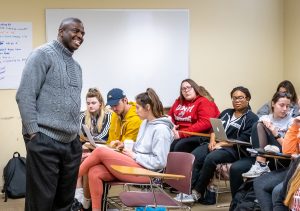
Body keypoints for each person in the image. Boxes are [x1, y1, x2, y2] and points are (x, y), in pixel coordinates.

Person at [16, 18, 85, 211]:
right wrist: (33, 135)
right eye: (75, 31)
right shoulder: (42, 55)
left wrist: (76, 139)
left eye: (82, 33)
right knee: (40, 204)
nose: (79, 36)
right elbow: (25, 95)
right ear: (61, 31)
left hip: (71, 144)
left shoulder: (77, 67)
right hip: (45, 141)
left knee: (64, 204)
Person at [78, 88, 174, 211]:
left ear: (148, 107)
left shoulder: (161, 130)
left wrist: (134, 156)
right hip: (138, 165)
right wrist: (126, 146)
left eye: (138, 107)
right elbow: (142, 148)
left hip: (150, 173)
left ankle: (71, 179)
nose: (136, 110)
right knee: (95, 171)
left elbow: (160, 162)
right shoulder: (145, 123)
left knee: (100, 152)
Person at [174, 86, 258, 203]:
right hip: (216, 144)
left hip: (234, 150)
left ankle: (196, 192)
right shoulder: (226, 113)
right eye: (234, 98)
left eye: (240, 98)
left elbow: (242, 139)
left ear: (247, 99)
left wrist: (222, 144)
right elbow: (214, 127)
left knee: (211, 158)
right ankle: (187, 190)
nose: (237, 101)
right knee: (195, 155)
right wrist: (213, 141)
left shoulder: (252, 118)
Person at [76, 87, 142, 210]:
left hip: (131, 161)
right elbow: (111, 142)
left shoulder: (135, 119)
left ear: (125, 100)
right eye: (111, 106)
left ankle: (73, 176)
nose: (114, 109)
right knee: (93, 170)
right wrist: (107, 149)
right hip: (116, 156)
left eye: (116, 105)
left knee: (98, 152)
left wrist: (100, 153)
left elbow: (125, 148)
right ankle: (88, 206)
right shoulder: (116, 115)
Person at [74, 88, 112, 208]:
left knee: (85, 159)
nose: (90, 106)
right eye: (88, 103)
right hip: (87, 146)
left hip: (103, 148)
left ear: (100, 103)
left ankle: (85, 200)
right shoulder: (83, 115)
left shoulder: (108, 115)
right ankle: (79, 197)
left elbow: (103, 136)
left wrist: (87, 140)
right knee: (79, 156)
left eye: (93, 103)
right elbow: (79, 132)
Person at [242, 92, 293, 178]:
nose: (285, 109)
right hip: (266, 154)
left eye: (287, 106)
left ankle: (261, 165)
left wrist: (275, 132)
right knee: (258, 124)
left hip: (283, 154)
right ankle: (261, 164)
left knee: (261, 125)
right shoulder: (265, 118)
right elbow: (254, 140)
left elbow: (289, 148)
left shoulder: (291, 121)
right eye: (281, 105)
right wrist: (264, 124)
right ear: (273, 103)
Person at [169, 78, 220, 152]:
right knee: (167, 143)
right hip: (179, 133)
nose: (186, 90)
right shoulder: (178, 101)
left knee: (179, 146)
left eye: (189, 88)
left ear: (195, 89)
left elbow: (205, 123)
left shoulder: (204, 101)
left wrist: (182, 133)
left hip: (198, 134)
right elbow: (170, 116)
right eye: (183, 89)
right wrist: (171, 125)